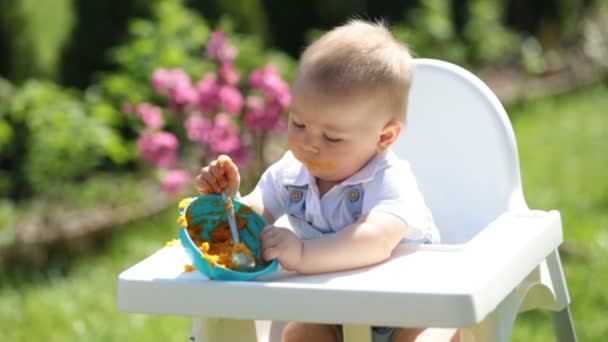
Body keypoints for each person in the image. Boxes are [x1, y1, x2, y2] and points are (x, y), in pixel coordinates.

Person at [195, 19, 459, 342]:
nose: (309, 143)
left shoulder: (389, 179)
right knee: (300, 334)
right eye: (298, 123)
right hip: (336, 318)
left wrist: (304, 254)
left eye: (332, 138)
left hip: (413, 312)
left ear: (385, 136)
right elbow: (255, 216)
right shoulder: (292, 172)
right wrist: (227, 202)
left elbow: (376, 239)